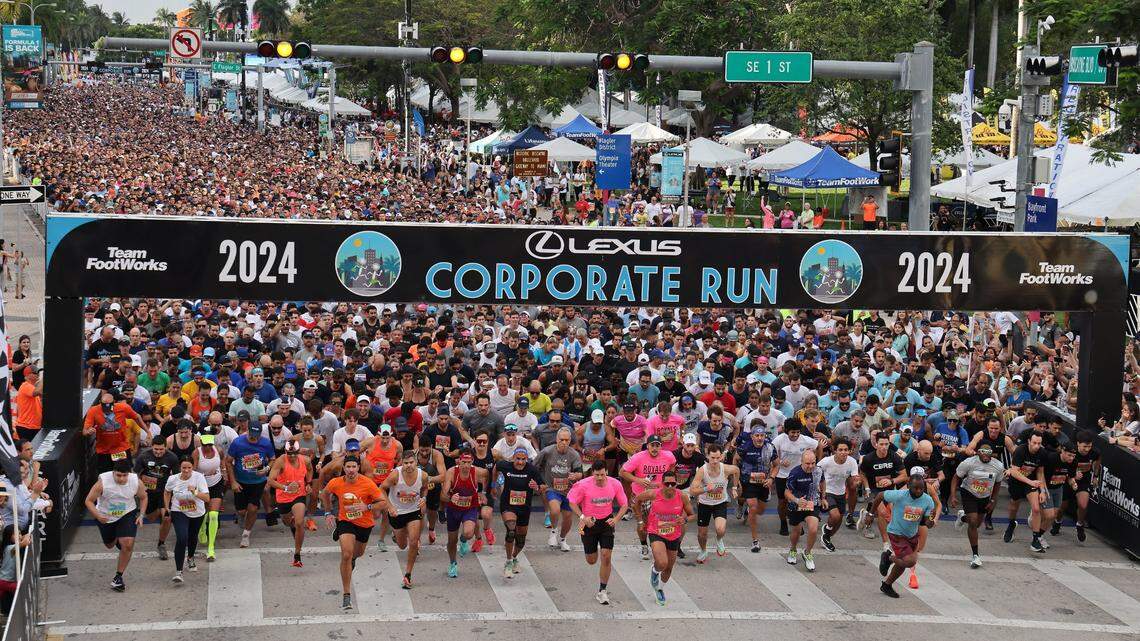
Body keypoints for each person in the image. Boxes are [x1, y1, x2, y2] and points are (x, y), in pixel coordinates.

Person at [322, 455, 387, 611]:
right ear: (343, 468)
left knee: (358, 553)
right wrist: (328, 512)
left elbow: (383, 502)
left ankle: (352, 557)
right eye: (348, 467)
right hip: (346, 522)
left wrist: (367, 507)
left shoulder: (367, 483)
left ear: (358, 467)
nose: (351, 470)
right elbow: (324, 494)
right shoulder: (336, 483)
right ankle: (346, 595)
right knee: (346, 555)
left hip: (364, 524)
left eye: (354, 467)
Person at [568, 460, 629, 605]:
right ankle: (590, 549)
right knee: (592, 560)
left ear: (606, 472)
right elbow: (572, 502)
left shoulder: (615, 484)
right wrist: (583, 517)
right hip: (588, 523)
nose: (600, 478)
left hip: (607, 522)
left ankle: (602, 591)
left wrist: (616, 519)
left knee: (606, 556)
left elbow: (624, 504)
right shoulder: (583, 485)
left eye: (602, 474)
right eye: (597, 475)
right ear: (592, 474)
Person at [84, 460, 147, 592]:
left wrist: (141, 515)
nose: (121, 478)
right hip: (105, 516)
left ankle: (118, 577)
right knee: (109, 545)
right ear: (113, 473)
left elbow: (143, 497)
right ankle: (118, 538)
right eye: (118, 475)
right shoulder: (103, 483)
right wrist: (98, 516)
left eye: (124, 476)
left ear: (129, 474)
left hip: (127, 514)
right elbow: (88, 501)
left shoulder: (136, 482)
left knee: (128, 544)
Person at [873, 468, 937, 598]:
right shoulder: (900, 495)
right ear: (908, 486)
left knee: (903, 562)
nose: (918, 491)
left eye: (921, 488)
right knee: (909, 562)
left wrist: (931, 520)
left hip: (911, 535)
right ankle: (888, 557)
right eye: (915, 488)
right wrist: (870, 513)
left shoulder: (927, 500)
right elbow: (880, 495)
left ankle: (887, 584)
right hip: (896, 533)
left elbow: (926, 524)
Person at [635, 469, 694, 606]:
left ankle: (659, 588)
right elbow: (636, 501)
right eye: (666, 484)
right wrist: (640, 520)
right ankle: (654, 571)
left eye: (672, 484)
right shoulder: (653, 494)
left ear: (676, 484)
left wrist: (684, 520)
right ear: (662, 484)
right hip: (656, 532)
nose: (669, 487)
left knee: (668, 568)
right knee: (662, 563)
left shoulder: (682, 496)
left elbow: (691, 515)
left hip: (673, 534)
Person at [620, 434, 677, 559]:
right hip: (641, 495)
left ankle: (660, 545)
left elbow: (673, 465)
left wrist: (667, 480)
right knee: (643, 524)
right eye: (652, 445)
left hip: (659, 495)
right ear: (647, 446)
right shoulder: (638, 457)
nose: (655, 448)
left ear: (661, 447)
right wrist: (637, 480)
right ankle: (644, 544)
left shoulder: (668, 456)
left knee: (662, 521)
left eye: (658, 445)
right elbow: (622, 472)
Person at [949, 444, 1006, 567]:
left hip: (985, 496)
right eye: (983, 452)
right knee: (974, 522)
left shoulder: (998, 466)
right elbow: (956, 478)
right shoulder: (969, 463)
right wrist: (953, 496)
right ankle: (975, 556)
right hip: (969, 492)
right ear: (978, 452)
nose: (986, 455)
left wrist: (993, 500)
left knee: (977, 523)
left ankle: (963, 517)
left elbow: (997, 483)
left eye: (988, 452)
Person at [494, 446, 544, 578]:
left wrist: (537, 488)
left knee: (521, 540)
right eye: (518, 459)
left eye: (523, 459)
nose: (520, 462)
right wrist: (494, 485)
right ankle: (508, 562)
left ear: (527, 459)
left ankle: (515, 557)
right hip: (508, 505)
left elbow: (543, 487)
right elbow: (496, 468)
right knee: (511, 531)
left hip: (524, 508)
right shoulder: (505, 466)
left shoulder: (532, 470)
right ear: (513, 458)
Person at [380, 449, 428, 589]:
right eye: (406, 463)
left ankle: (408, 574)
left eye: (411, 462)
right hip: (397, 512)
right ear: (402, 463)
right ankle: (397, 535)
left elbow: (425, 488)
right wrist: (389, 507)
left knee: (413, 542)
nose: (409, 466)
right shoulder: (395, 475)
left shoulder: (423, 475)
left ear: (416, 462)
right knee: (402, 545)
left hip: (413, 511)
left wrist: (424, 498)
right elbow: (381, 489)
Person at [226, 421, 276, 549]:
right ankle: (241, 516)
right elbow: (228, 462)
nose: (254, 437)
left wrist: (266, 470)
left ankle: (246, 535)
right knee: (242, 510)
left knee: (253, 508)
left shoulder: (265, 443)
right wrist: (233, 481)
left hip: (258, 482)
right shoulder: (238, 443)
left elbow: (272, 459)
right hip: (241, 481)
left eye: (257, 434)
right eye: (252, 434)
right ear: (247, 430)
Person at [688, 443, 739, 563]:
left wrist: (735, 487)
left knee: (720, 529)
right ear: (707, 456)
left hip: (720, 503)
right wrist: (705, 489)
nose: (715, 461)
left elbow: (736, 470)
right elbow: (692, 490)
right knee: (702, 534)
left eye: (717, 458)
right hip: (704, 504)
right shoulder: (702, 471)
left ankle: (719, 540)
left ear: (721, 456)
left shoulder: (725, 469)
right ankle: (703, 550)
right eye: (712, 458)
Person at [441, 449, 488, 578]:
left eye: (469, 462)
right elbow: (443, 495)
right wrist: (450, 497)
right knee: (451, 541)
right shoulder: (451, 472)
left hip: (469, 508)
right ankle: (453, 563)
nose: (466, 466)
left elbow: (487, 474)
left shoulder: (477, 471)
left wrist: (482, 493)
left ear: (472, 462)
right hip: (453, 510)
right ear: (459, 462)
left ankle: (463, 540)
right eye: (463, 462)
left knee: (468, 533)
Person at [534, 427, 582, 552]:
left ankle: (563, 539)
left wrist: (576, 475)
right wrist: (540, 482)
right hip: (552, 488)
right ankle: (553, 532)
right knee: (555, 510)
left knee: (567, 517)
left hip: (568, 490)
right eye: (561, 440)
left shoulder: (574, 454)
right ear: (556, 439)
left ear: (570, 440)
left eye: (567, 440)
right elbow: (534, 466)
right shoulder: (547, 451)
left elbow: (579, 473)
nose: (564, 443)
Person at [163, 457, 210, 583]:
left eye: (189, 468)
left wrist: (194, 492)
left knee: (192, 537)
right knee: (182, 538)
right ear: (180, 468)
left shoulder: (199, 477)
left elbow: (206, 498)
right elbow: (167, 492)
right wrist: (167, 507)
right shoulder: (173, 479)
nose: (186, 470)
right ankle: (179, 572)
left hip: (197, 512)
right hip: (179, 511)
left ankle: (190, 558)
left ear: (193, 467)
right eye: (184, 468)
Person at [268, 440, 313, 567]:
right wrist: (286, 488)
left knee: (300, 522)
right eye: (289, 453)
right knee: (288, 523)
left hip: (299, 495)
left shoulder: (305, 460)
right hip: (283, 497)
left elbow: (310, 470)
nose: (292, 456)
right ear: (285, 452)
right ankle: (293, 527)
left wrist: (308, 483)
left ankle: (297, 555)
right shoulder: (281, 461)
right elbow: (270, 480)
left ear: (298, 452)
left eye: (294, 453)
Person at [771, 418, 819, 536]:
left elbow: (818, 446)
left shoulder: (806, 440)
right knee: (783, 502)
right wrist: (780, 462)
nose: (795, 435)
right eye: (793, 432)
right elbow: (771, 453)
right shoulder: (779, 440)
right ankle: (783, 522)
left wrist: (815, 462)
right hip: (782, 475)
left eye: (798, 432)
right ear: (787, 431)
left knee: (799, 500)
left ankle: (797, 523)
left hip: (799, 474)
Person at [134, 438, 178, 561]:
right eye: (156, 449)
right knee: (151, 517)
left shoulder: (172, 458)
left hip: (164, 492)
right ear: (152, 447)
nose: (158, 452)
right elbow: (135, 474)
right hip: (148, 493)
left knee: (167, 517)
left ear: (166, 447)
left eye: (161, 449)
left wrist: (175, 493)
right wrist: (138, 489)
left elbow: (176, 476)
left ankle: (161, 544)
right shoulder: (143, 456)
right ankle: (160, 511)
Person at [733, 427, 775, 552]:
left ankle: (749, 513)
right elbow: (735, 460)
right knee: (753, 505)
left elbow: (777, 464)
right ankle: (755, 540)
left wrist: (772, 478)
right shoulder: (745, 447)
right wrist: (737, 480)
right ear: (752, 436)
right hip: (748, 481)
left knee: (760, 511)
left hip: (764, 483)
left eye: (762, 435)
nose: (759, 438)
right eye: (757, 435)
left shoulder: (770, 448)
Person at [817, 437, 859, 552]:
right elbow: (815, 472)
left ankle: (826, 538)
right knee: (834, 516)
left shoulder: (852, 462)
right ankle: (826, 529)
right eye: (840, 450)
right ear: (834, 450)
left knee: (839, 521)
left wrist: (856, 482)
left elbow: (853, 481)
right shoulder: (826, 461)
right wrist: (819, 492)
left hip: (840, 493)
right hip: (827, 491)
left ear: (850, 451)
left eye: (846, 450)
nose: (843, 452)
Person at [784, 451, 822, 571]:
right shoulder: (794, 473)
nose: (811, 466)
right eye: (807, 464)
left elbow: (822, 481)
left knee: (813, 528)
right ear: (801, 462)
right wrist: (796, 500)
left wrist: (824, 497)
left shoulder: (818, 471)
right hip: (796, 505)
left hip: (812, 504)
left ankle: (808, 552)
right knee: (796, 531)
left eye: (813, 463)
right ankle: (793, 549)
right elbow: (786, 492)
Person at [192, 433, 226, 561]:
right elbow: (193, 470)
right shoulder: (196, 453)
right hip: (202, 485)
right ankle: (202, 528)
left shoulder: (219, 450)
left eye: (210, 444)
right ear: (201, 444)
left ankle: (211, 548)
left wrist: (224, 474)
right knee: (203, 512)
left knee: (213, 514)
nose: (207, 447)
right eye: (205, 445)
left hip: (216, 483)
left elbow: (223, 464)